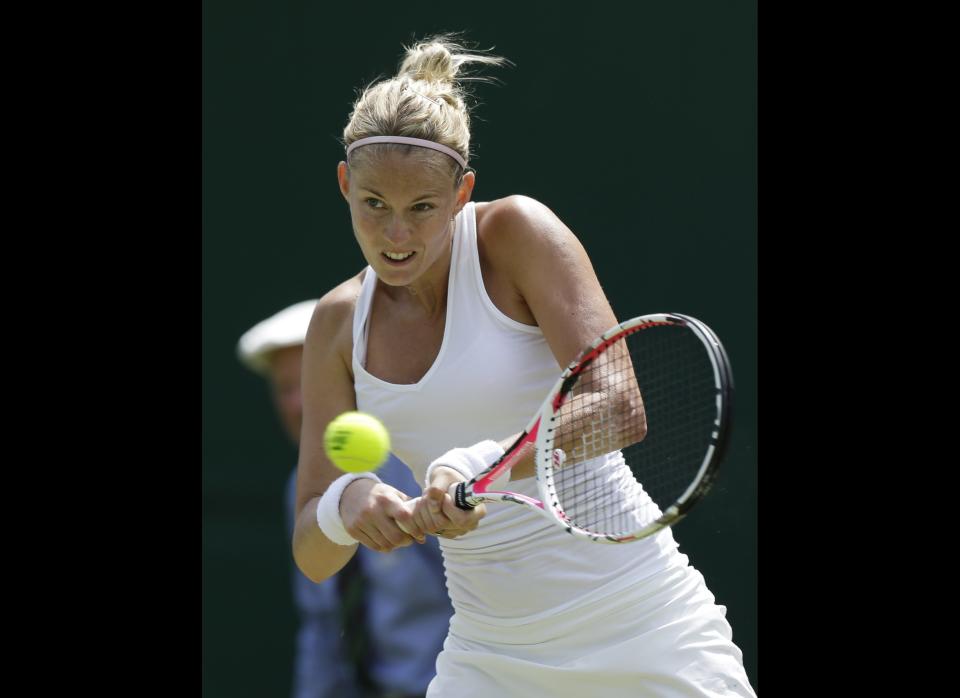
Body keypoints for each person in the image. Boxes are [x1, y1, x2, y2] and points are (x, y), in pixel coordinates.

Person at [292, 35, 756, 697]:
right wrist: (348, 503)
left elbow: (621, 407)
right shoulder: (337, 323)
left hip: (642, 624)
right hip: (489, 658)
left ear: (462, 192)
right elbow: (313, 551)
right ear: (345, 183)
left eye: (422, 208)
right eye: (374, 206)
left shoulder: (515, 236)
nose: (396, 237)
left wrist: (490, 460)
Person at [238, 300, 452, 698]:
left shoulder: (422, 468)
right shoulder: (297, 493)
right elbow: (322, 623)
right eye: (284, 389)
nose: (298, 405)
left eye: (306, 383)